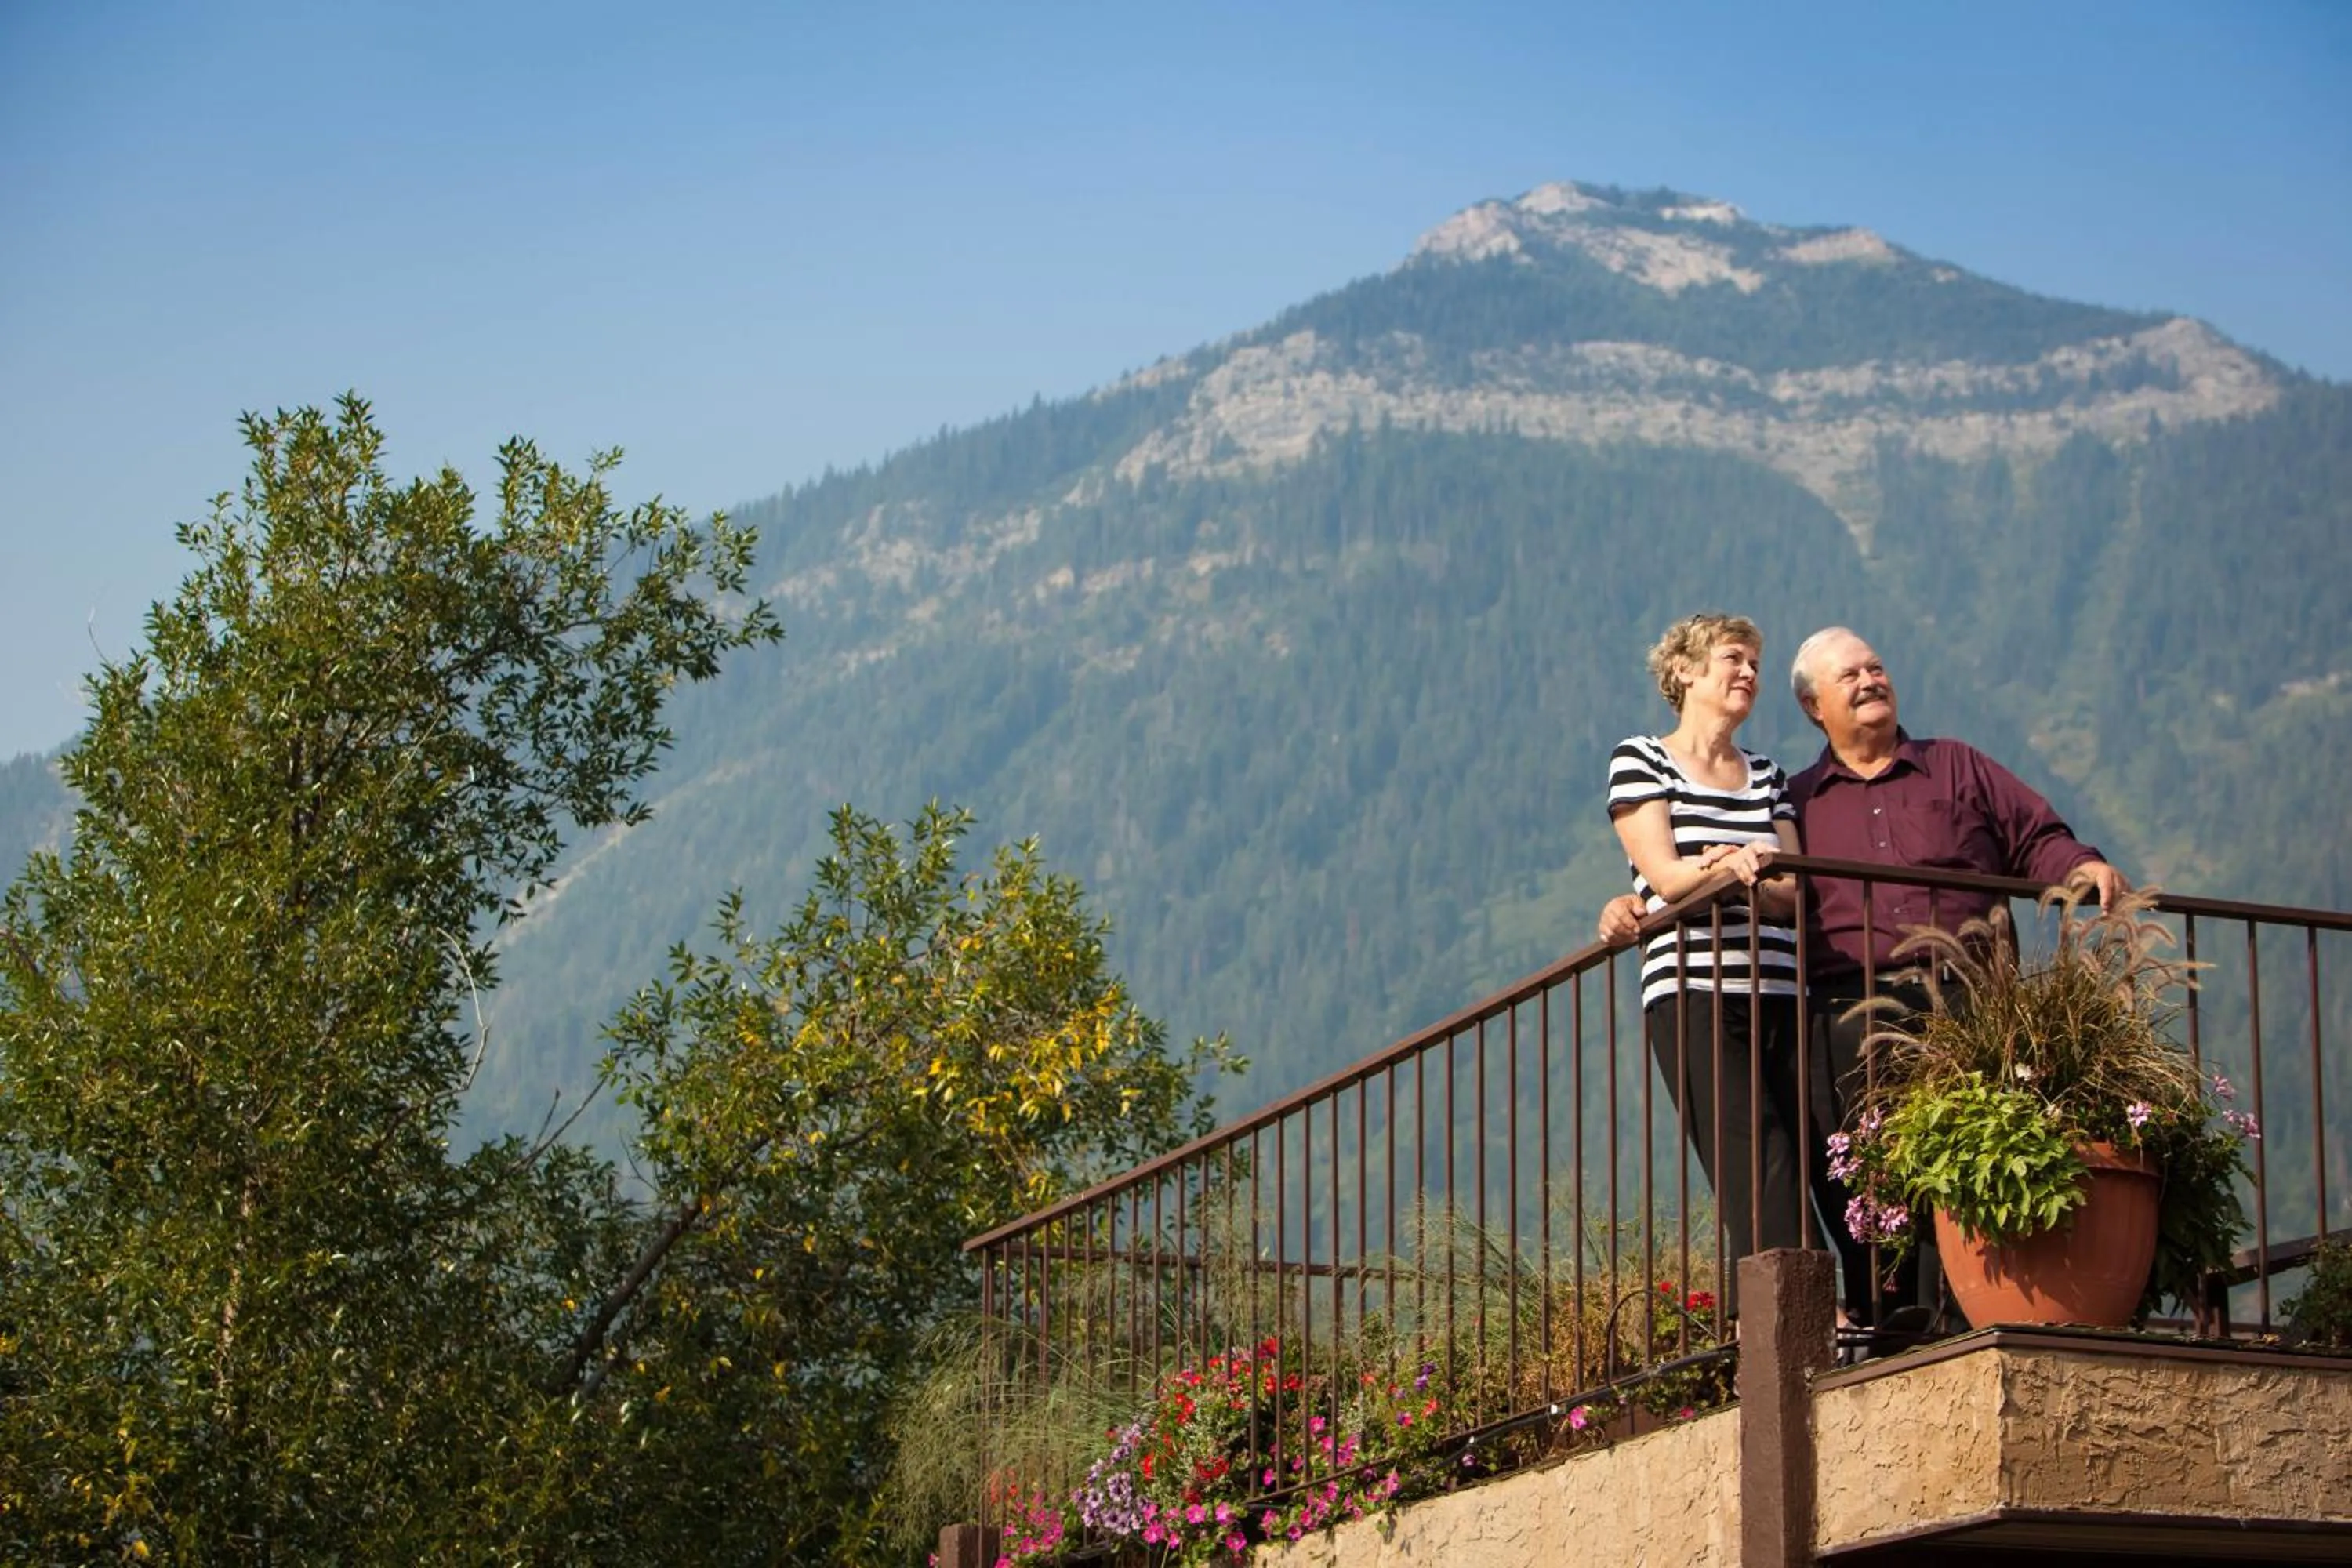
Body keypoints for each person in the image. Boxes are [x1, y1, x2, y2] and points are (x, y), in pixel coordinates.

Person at [1599, 626, 2127, 1326]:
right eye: (1848, 676)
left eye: (1875, 668)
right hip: (1845, 1013)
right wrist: (1641, 898)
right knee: (1863, 1177)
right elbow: (1673, 866)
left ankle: (1973, 1316)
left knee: (1969, 1154)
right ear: (1815, 706)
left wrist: (2079, 865)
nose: (1870, 681)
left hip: (1967, 998)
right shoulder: (1802, 795)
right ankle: (1890, 1323)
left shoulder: (1952, 767)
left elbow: (2032, 833)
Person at [1605, 613, 1807, 1286]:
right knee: (1752, 1147)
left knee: (1805, 1142)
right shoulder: (1643, 759)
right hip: (1693, 987)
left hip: (1781, 985)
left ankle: (1808, 1303)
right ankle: (1796, 1306)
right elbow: (1665, 878)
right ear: (1685, 670)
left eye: (1755, 664)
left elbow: (1793, 892)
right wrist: (1732, 866)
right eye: (1733, 658)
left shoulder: (1768, 774)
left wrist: (1727, 871)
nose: (1749, 673)